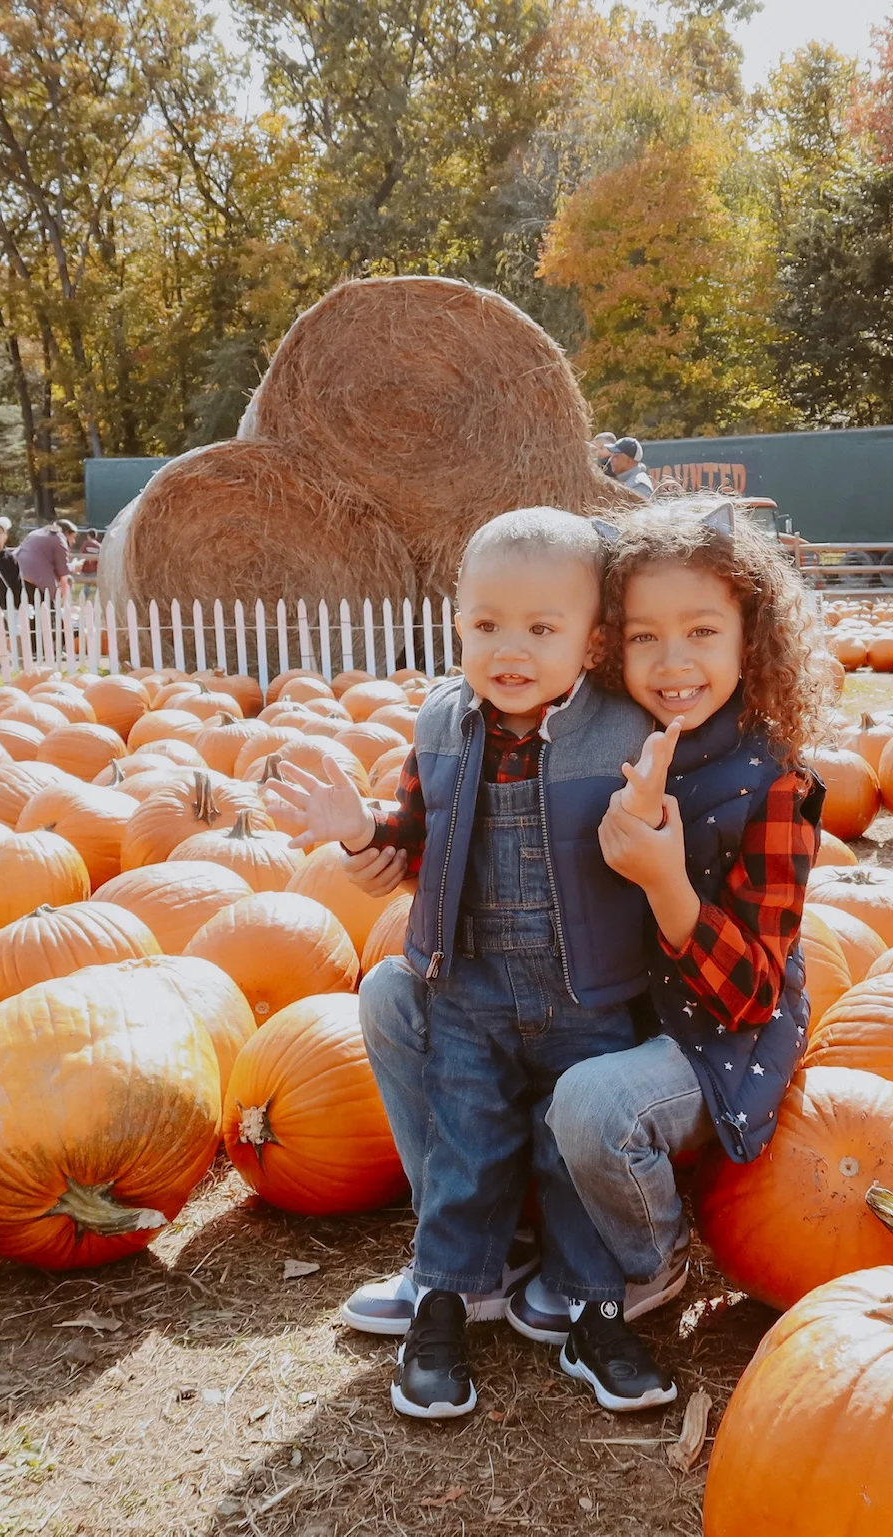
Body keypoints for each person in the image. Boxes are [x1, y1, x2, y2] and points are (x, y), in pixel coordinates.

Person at [267, 507, 669, 1421]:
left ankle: (594, 1316)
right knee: (464, 1148)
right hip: (469, 986)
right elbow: (417, 836)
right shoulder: (443, 724)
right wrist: (364, 830)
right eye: (486, 625)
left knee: (570, 1166)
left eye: (541, 627)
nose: (510, 648)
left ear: (592, 638)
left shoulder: (624, 731)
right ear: (456, 626)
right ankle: (446, 1303)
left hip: (587, 992)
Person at [526, 501, 826, 1382]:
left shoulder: (774, 781)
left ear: (750, 637)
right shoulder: (591, 746)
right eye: (645, 637)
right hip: (607, 1008)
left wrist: (664, 880)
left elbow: (750, 995)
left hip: (711, 1038)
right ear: (610, 645)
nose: (674, 662)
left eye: (701, 630)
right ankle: (474, 1254)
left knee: (594, 1104)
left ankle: (652, 1257)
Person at [16, 517, 76, 603]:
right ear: (67, 533)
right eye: (73, 537)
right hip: (37, 581)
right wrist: (66, 600)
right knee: (48, 612)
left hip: (18, 575)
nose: (74, 541)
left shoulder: (34, 533)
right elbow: (63, 573)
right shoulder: (59, 539)